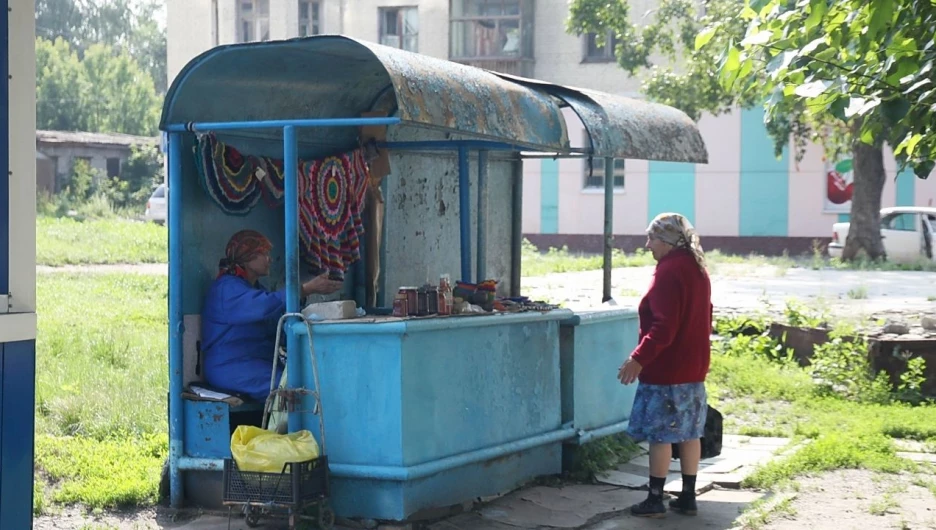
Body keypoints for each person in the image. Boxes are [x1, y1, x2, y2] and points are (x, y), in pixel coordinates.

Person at [617, 213, 713, 518]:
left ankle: (655, 499)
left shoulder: (669, 271)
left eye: (652, 238)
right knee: (689, 433)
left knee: (661, 434)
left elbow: (663, 326)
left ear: (668, 240)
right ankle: (687, 496)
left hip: (667, 371)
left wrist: (638, 358)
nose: (648, 245)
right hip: (693, 369)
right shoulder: (698, 269)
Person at [200, 229, 343, 401]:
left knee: (310, 378)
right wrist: (305, 289)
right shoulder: (225, 288)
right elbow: (262, 307)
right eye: (264, 254)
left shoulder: (255, 288)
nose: (269, 259)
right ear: (248, 257)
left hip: (256, 362)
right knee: (292, 388)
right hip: (229, 366)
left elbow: (276, 324)